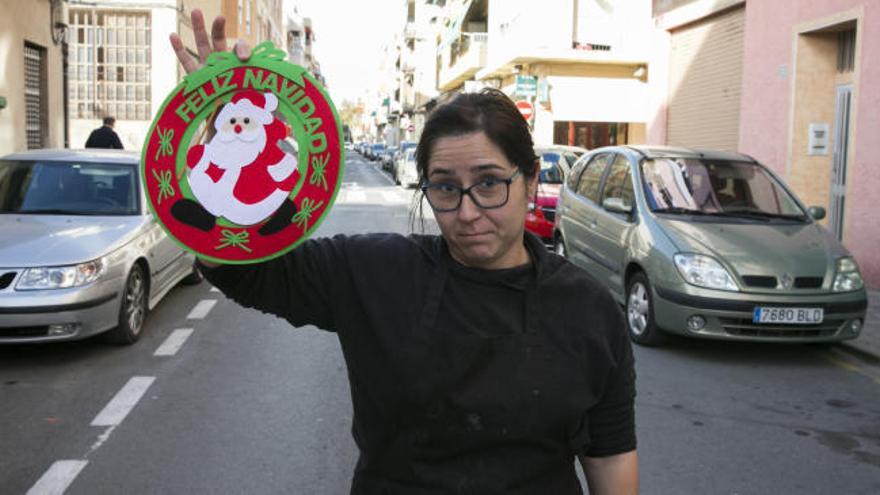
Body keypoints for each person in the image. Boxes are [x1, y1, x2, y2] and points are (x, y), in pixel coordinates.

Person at [173, 10, 638, 494]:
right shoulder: (375, 273)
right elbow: (243, 270)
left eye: (489, 183)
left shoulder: (590, 310)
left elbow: (610, 460)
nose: (468, 211)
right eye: (444, 188)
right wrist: (224, 141)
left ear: (531, 178)